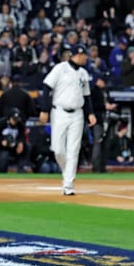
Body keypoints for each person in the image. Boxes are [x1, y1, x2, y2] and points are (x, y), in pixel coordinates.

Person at [39, 44, 97, 195]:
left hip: (77, 114)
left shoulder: (84, 73)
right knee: (58, 149)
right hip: (59, 112)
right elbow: (46, 87)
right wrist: (44, 109)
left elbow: (87, 96)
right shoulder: (60, 68)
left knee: (74, 150)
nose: (85, 58)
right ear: (76, 55)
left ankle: (68, 184)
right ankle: (67, 173)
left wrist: (90, 113)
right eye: (84, 55)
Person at [0, 108, 28, 173]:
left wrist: (20, 142)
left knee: (27, 146)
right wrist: (1, 141)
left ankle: (21, 168)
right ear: (9, 118)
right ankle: (2, 169)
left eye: (16, 120)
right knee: (1, 167)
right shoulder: (0, 123)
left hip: (13, 145)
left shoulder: (20, 125)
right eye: (13, 120)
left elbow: (22, 136)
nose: (15, 122)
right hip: (1, 147)